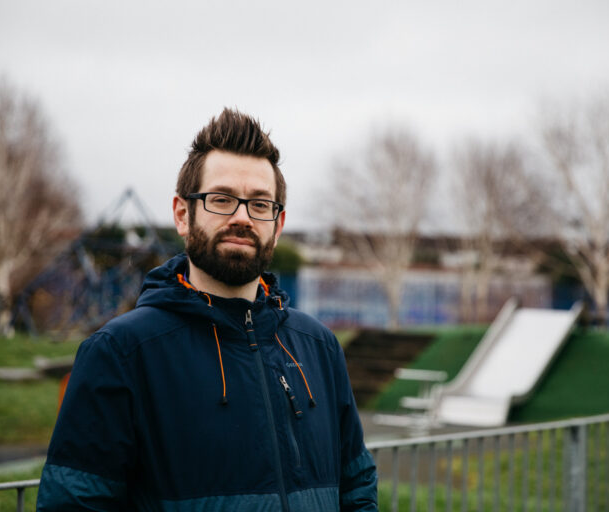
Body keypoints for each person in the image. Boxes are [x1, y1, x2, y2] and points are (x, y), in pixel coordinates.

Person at [36, 108, 378, 511]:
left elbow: (356, 488)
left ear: (278, 223)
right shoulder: (121, 353)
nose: (241, 217)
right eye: (221, 199)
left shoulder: (318, 347)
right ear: (183, 214)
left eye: (259, 204)